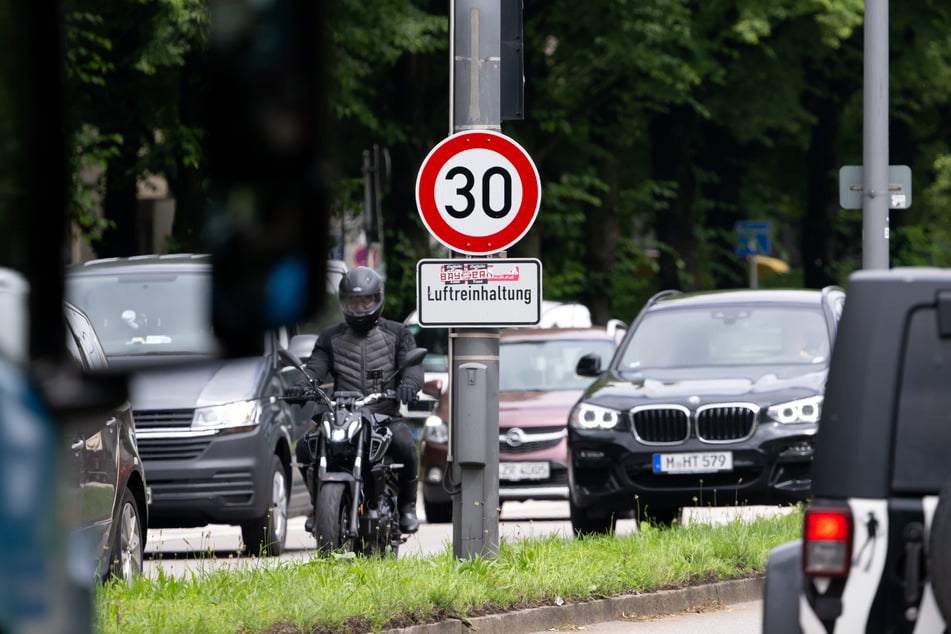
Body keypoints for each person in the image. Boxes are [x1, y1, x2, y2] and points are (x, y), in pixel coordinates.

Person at [286, 266, 423, 534]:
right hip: (342, 413)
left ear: (377, 300)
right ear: (344, 302)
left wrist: (409, 384)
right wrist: (301, 386)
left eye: (365, 301)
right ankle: (319, 506)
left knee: (406, 445)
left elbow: (412, 366)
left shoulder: (398, 334)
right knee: (304, 447)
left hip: (384, 415)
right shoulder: (330, 337)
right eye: (353, 302)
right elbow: (315, 367)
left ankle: (407, 507)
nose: (360, 307)